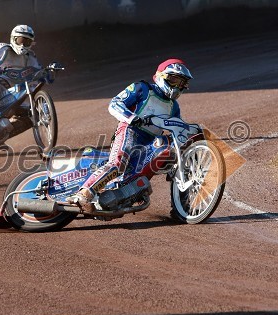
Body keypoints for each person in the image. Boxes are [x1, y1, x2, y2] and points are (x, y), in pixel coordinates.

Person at [67, 58, 193, 213]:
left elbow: (177, 129)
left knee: (177, 159)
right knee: (118, 164)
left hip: (150, 143)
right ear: (161, 76)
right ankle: (84, 193)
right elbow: (115, 103)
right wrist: (132, 117)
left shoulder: (174, 107)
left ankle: (182, 208)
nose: (177, 86)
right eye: (174, 80)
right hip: (130, 131)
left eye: (181, 83)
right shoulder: (143, 88)